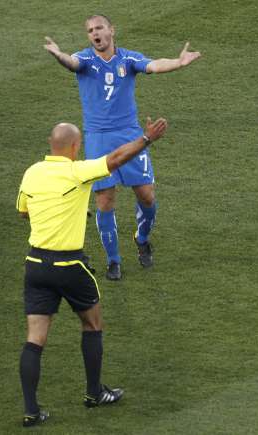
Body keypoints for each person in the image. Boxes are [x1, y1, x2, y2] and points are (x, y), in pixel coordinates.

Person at [16, 116, 168, 427]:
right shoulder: (78, 171)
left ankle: (31, 410)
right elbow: (115, 159)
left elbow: (24, 211)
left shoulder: (32, 172)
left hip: (35, 266)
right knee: (92, 323)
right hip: (70, 266)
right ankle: (94, 393)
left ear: (50, 144)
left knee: (35, 338)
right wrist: (146, 139)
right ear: (75, 146)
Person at [44, 14, 201, 280]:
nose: (95, 33)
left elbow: (153, 65)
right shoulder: (85, 59)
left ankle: (142, 238)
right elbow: (72, 63)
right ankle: (113, 261)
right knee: (105, 199)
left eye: (99, 28)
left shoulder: (127, 59)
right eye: (90, 30)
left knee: (147, 196)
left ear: (111, 30)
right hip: (98, 138)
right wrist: (59, 55)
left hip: (130, 135)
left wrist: (178, 62)